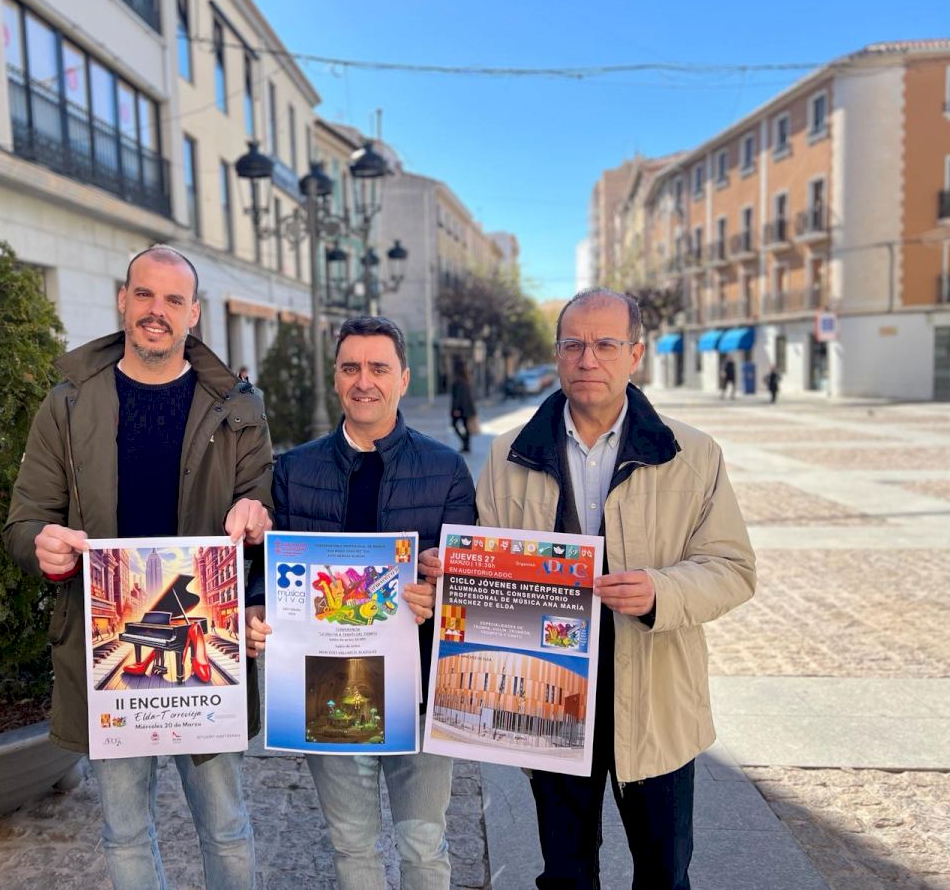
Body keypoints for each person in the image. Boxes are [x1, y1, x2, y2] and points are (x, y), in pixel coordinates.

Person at [3, 245, 274, 890]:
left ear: (193, 314)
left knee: (226, 825)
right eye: (145, 295)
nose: (158, 311)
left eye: (174, 300)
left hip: (204, 647)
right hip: (109, 652)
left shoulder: (237, 407)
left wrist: (258, 515)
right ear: (123, 300)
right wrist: (44, 544)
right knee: (125, 832)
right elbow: (24, 522)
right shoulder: (67, 405)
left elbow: (266, 504)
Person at [475, 288, 755, 889]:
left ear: (635, 354)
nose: (588, 359)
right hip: (548, 697)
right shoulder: (507, 455)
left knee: (663, 874)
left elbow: (732, 567)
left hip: (655, 699)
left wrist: (661, 591)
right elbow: (486, 574)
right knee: (566, 874)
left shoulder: (692, 453)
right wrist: (454, 572)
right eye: (573, 344)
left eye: (605, 344)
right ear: (557, 354)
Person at [248, 316, 476, 890]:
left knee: (423, 846)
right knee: (351, 846)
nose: (364, 381)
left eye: (379, 367)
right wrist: (257, 609)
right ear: (336, 377)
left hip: (418, 693)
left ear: (403, 378)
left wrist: (439, 591)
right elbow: (267, 572)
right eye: (351, 367)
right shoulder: (294, 470)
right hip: (324, 692)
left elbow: (468, 583)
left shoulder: (446, 468)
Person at [449, 358, 477, 453]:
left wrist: (456, 409)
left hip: (461, 409)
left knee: (455, 425)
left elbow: (458, 397)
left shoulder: (458, 381)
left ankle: (465, 443)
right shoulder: (466, 378)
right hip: (467, 408)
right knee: (465, 426)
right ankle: (466, 445)